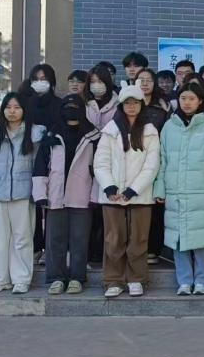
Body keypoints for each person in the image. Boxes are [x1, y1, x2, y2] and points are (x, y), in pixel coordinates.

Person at [155, 84, 204, 296]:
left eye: (192, 98)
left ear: (200, 101)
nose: (187, 103)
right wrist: (160, 189)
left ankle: (202, 280)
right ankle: (184, 281)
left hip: (202, 192)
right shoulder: (169, 126)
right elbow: (162, 159)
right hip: (175, 191)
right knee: (178, 239)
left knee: (202, 240)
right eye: (183, 98)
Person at [93, 84, 161, 298]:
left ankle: (136, 279)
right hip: (112, 196)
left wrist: (133, 190)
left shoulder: (150, 131)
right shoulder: (109, 131)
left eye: (135, 103)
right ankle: (113, 280)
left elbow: (152, 165)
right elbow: (100, 162)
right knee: (113, 239)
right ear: (121, 106)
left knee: (138, 240)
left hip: (140, 195)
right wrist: (109, 187)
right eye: (127, 103)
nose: (131, 107)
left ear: (141, 105)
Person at [0, 93, 46, 294]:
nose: (12, 111)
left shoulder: (35, 133)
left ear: (24, 110)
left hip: (23, 193)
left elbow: (39, 165)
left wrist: (38, 191)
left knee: (22, 238)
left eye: (17, 107)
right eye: (8, 107)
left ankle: (21, 279)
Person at [32, 95, 101, 295]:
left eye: (75, 106)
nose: (71, 110)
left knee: (80, 239)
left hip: (82, 196)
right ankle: (56, 277)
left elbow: (98, 169)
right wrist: (40, 194)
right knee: (54, 240)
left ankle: (77, 278)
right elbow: (40, 167)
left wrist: (95, 196)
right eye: (67, 106)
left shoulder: (93, 136)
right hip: (55, 197)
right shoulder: (51, 135)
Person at [136, 68, 171, 265]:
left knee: (155, 207)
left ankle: (153, 249)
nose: (144, 83)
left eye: (148, 80)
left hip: (156, 160)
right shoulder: (128, 104)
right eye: (141, 80)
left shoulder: (162, 106)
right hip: (134, 161)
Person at [19, 64, 63, 131]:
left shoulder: (60, 104)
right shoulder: (24, 102)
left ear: (51, 81)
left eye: (43, 79)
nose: (39, 82)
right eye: (35, 79)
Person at [86, 65, 119, 130]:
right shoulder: (85, 103)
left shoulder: (117, 103)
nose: (96, 85)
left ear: (107, 82)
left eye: (100, 81)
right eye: (92, 82)